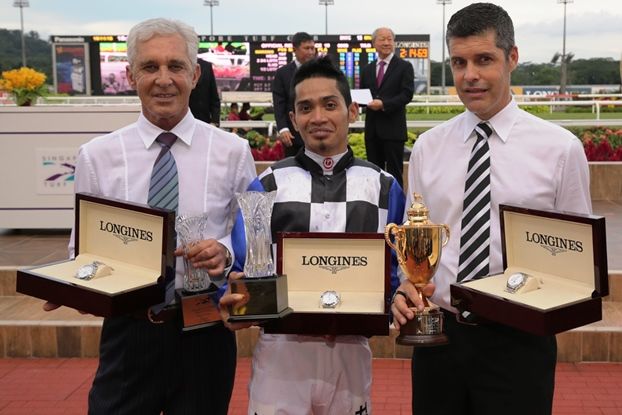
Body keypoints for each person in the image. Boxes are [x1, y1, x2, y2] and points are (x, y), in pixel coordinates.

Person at [44, 18, 256, 414]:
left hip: (205, 327)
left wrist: (224, 253)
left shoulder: (233, 151)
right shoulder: (98, 155)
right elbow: (82, 250)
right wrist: (73, 285)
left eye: (175, 66)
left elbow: (249, 235)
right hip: (129, 330)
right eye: (150, 67)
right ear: (129, 76)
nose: (163, 79)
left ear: (194, 75)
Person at [391, 4, 592, 415]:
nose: (470, 76)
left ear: (512, 58)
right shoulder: (429, 147)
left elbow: (578, 260)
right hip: (440, 338)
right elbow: (416, 248)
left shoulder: (559, 149)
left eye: (484, 60)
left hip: (519, 342)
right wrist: (405, 285)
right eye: (460, 62)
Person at [221, 56, 405, 414]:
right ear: (293, 119)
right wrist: (236, 296)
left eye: (330, 105)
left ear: (352, 111)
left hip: (351, 350)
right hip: (282, 352)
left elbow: (396, 272)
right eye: (305, 108)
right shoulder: (267, 184)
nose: (318, 117)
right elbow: (245, 266)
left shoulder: (384, 187)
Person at [360, 27, 414, 188]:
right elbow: (363, 95)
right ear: (374, 43)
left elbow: (407, 94)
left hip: (393, 131)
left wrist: (384, 104)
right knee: (373, 173)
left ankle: (396, 210)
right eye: (382, 39)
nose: (386, 43)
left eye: (389, 39)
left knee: (394, 174)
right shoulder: (367, 69)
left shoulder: (404, 67)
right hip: (372, 131)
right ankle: (374, 208)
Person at [272, 31, 316, 157]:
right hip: (292, 135)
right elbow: (279, 104)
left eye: (313, 48)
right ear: (295, 50)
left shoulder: (322, 71)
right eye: (307, 48)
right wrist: (283, 129)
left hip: (316, 132)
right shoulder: (282, 74)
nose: (311, 52)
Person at [189, 57, 221, 126]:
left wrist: (215, 122)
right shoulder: (178, 64)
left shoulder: (206, 66)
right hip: (183, 122)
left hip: (204, 120)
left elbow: (214, 98)